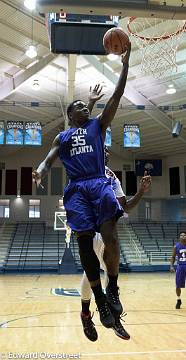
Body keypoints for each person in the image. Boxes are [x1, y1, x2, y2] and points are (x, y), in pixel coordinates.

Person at [32, 43, 131, 329]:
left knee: (111, 238)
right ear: (70, 115)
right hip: (76, 189)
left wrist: (124, 65)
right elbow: (48, 160)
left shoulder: (97, 126)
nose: (83, 108)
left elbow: (117, 95)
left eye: (84, 106)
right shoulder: (62, 137)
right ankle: (98, 301)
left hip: (99, 184)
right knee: (85, 244)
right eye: (77, 106)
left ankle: (112, 288)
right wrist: (39, 171)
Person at [80, 160, 151, 342]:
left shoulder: (112, 176)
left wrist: (141, 192)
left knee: (109, 276)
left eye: (106, 150)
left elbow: (125, 206)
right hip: (89, 229)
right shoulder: (83, 168)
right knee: (90, 275)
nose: (105, 152)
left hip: (109, 230)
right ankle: (86, 315)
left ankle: (113, 318)